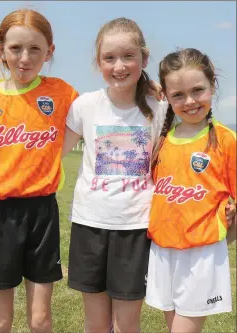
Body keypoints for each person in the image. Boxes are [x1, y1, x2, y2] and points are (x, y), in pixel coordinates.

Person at [0, 9, 79, 333]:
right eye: (15, 48)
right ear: (0, 49)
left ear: (50, 51)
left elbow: (104, 108)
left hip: (42, 213)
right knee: (1, 321)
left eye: (35, 49)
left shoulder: (62, 92)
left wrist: (147, 88)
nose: (24, 58)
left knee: (40, 319)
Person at [61, 17, 169, 333]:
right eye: (109, 58)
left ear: (144, 59)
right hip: (89, 223)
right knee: (95, 323)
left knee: (126, 323)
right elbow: (53, 154)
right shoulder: (84, 106)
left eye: (128, 56)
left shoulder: (161, 106)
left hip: (136, 225)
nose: (119, 66)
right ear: (99, 63)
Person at [146, 48, 236, 333]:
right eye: (178, 95)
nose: (190, 101)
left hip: (201, 254)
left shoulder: (225, 140)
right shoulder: (162, 140)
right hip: (162, 252)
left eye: (198, 90)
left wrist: (228, 231)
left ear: (213, 86)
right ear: (167, 97)